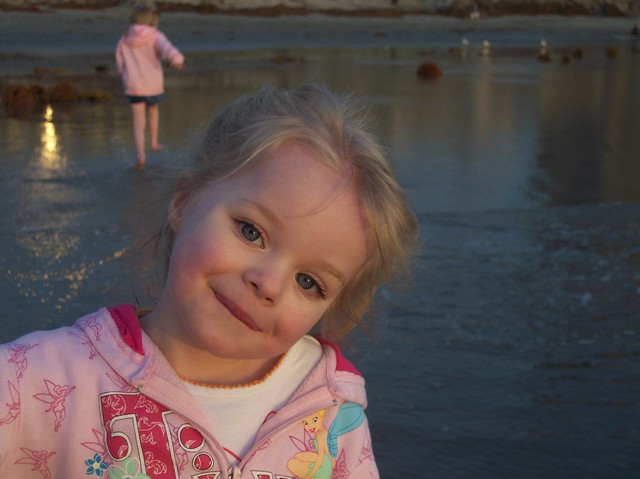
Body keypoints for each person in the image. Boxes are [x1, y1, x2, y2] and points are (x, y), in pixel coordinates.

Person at [0, 84, 418, 478]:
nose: (268, 283)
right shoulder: (37, 382)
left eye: (309, 282)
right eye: (250, 231)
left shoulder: (333, 417)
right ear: (183, 202)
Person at [116, 2, 185, 171]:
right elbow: (168, 50)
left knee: (138, 121)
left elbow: (120, 61)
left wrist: (124, 75)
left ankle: (141, 157)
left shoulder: (125, 38)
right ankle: (154, 142)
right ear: (152, 20)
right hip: (152, 85)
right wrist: (178, 61)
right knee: (153, 110)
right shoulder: (155, 36)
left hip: (134, 85)